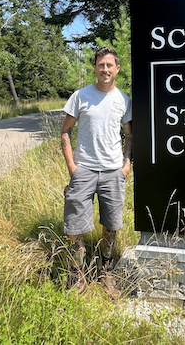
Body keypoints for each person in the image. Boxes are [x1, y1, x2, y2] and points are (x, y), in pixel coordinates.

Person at [60, 46, 132, 295]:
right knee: (75, 225)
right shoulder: (80, 96)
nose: (105, 69)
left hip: (113, 171)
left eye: (110, 65)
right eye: (101, 65)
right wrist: (72, 166)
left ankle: (106, 272)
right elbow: (65, 130)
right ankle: (78, 274)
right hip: (84, 170)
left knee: (111, 224)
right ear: (95, 68)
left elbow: (129, 136)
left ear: (117, 69)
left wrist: (126, 164)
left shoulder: (123, 100)